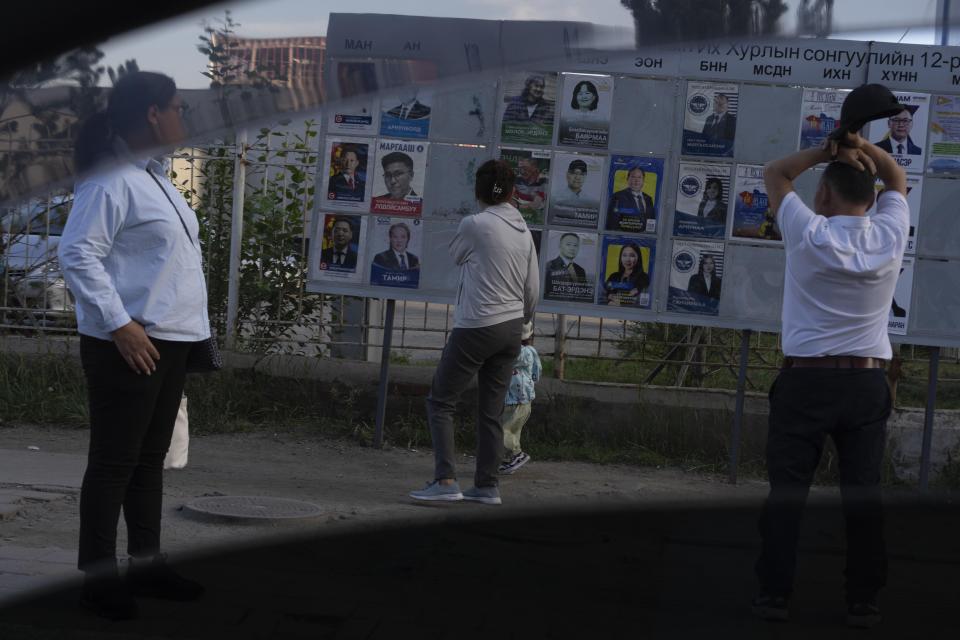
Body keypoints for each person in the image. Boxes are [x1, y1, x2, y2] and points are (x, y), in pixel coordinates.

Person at [58, 71, 206, 621]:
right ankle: (98, 580)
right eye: (177, 108)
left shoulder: (155, 178)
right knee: (115, 462)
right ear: (151, 113)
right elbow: (77, 255)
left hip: (169, 342)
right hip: (130, 344)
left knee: (148, 461)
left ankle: (147, 564)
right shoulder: (110, 180)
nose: (181, 118)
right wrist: (121, 325)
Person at [753, 128, 908, 629]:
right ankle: (864, 601)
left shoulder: (809, 231)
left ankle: (774, 596)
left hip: (806, 382)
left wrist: (828, 149)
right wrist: (862, 149)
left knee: (788, 493)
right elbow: (897, 177)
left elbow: (776, 173)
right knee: (863, 494)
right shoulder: (890, 234)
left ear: (822, 194)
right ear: (874, 199)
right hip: (866, 383)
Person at [409, 159, 539, 506]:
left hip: (477, 325)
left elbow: (456, 255)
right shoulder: (524, 231)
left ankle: (445, 479)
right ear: (514, 193)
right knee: (491, 410)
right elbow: (532, 289)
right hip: (512, 328)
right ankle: (486, 485)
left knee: (441, 400)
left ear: (477, 191)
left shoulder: (474, 224)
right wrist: (523, 323)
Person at [498, 321, 542, 475]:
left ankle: (518, 455)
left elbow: (509, 358)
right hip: (518, 399)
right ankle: (509, 460)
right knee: (512, 431)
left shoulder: (524, 352)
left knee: (502, 431)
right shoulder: (529, 351)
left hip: (517, 399)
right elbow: (537, 373)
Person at [607, 166, 654, 232]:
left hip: (645, 239)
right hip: (625, 238)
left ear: (643, 181)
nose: (636, 180)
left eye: (639, 177)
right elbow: (612, 223)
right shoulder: (618, 196)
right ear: (627, 179)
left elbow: (651, 220)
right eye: (633, 177)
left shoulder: (648, 199)